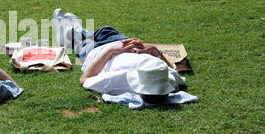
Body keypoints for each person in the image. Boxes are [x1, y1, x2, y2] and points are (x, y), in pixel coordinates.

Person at [52, 9, 186, 105]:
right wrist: (156, 51)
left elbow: (84, 79)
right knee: (106, 29)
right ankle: (79, 30)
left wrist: (111, 50)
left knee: (83, 42)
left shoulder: (116, 81)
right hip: (123, 41)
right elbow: (173, 70)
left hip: (98, 51)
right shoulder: (165, 78)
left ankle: (72, 33)